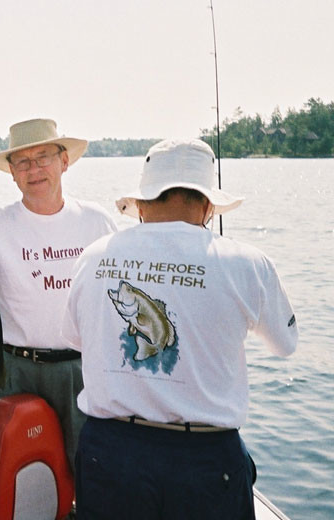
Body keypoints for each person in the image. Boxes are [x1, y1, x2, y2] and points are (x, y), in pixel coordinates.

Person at [63, 139, 298, 519]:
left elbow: (74, 338)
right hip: (205, 460)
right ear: (207, 205)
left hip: (110, 452)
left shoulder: (94, 256)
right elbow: (286, 344)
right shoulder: (250, 263)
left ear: (139, 203)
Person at [0, 118, 117, 474]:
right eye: (23, 162)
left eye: (43, 157)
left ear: (64, 161)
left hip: (83, 371)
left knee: (90, 474)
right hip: (12, 372)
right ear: (11, 172)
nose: (34, 169)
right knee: (15, 480)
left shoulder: (98, 222)